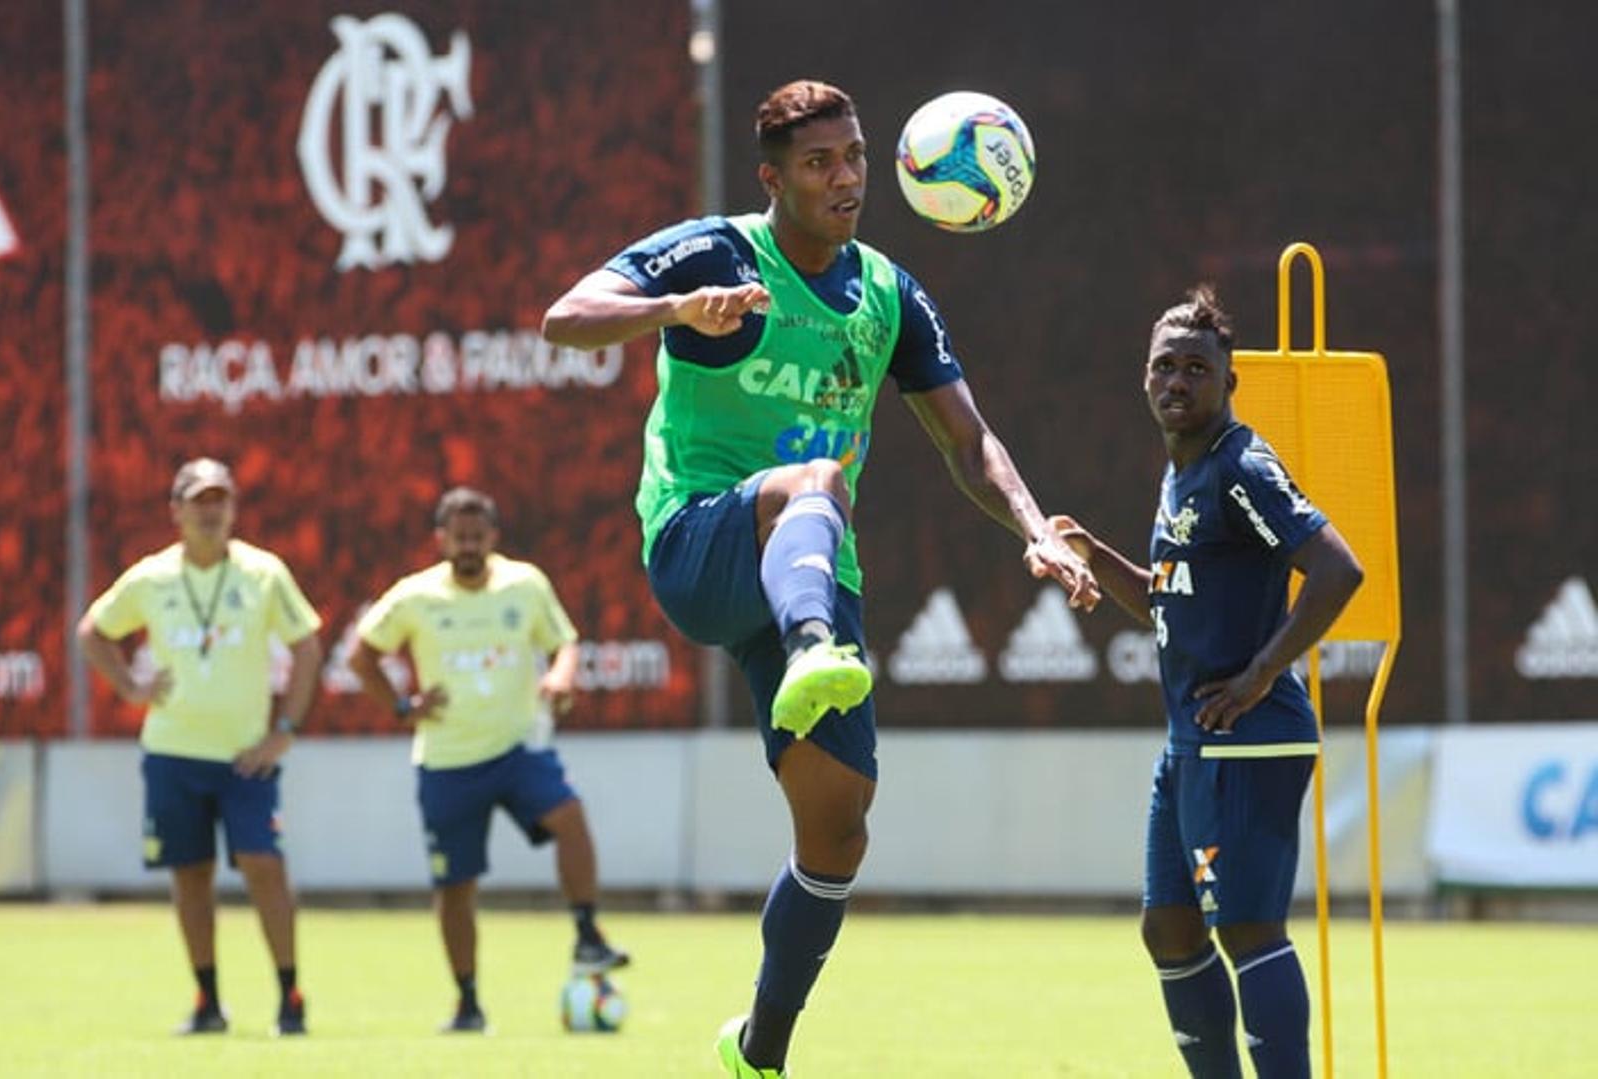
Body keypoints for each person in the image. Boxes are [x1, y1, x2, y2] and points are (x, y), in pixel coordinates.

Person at [540, 79, 1099, 1077]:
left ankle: (760, 1048)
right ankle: (809, 646)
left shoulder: (888, 292)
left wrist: (1034, 529)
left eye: (853, 157)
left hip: (813, 563)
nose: (845, 178)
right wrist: (675, 308)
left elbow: (966, 439)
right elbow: (566, 316)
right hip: (703, 542)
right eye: (818, 164)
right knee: (816, 476)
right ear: (773, 179)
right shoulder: (720, 252)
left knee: (838, 828)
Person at [1049, 286, 1364, 1078]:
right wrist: (1090, 554)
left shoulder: (1240, 467)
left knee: (1250, 929)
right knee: (1168, 928)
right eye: (1164, 366)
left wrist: (1261, 674)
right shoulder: (1183, 474)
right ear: (1144, 377)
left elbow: (1337, 568)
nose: (1177, 381)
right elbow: (1169, 597)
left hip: (1249, 735)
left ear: (1229, 383)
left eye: (1197, 367)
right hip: (1192, 739)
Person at [345, 486, 629, 1034]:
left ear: (493, 538)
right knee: (455, 886)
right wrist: (403, 705)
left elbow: (564, 643)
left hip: (518, 748)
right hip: (448, 761)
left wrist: (561, 676)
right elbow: (362, 655)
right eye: (460, 537)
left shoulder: (524, 584)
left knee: (569, 817)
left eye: (478, 536)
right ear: (442, 540)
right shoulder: (414, 596)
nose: (469, 546)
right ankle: (468, 1002)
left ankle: (589, 935)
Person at [76, 457, 323, 1038]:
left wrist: (284, 730)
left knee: (265, 865)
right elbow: (93, 631)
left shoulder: (263, 573)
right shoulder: (151, 577)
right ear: (177, 511)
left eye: (221, 500)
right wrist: (130, 686)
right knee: (190, 875)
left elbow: (307, 647)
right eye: (199, 500)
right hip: (173, 753)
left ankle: (290, 995)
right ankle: (207, 1000)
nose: (211, 511)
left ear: (233, 507)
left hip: (246, 757)